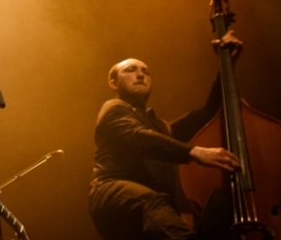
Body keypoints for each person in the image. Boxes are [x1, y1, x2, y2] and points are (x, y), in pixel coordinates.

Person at [88, 31, 246, 240]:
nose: (141, 74)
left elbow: (205, 113)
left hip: (154, 204)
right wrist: (194, 151)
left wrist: (227, 64)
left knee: (217, 210)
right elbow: (139, 137)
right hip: (112, 193)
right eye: (131, 70)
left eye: (146, 71)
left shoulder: (162, 127)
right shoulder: (113, 108)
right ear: (113, 84)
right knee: (168, 219)